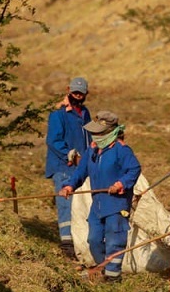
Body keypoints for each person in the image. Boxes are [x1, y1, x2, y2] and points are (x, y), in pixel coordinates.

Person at [59, 110, 141, 282]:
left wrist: (120, 184)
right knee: (93, 239)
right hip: (98, 204)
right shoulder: (92, 150)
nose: (94, 136)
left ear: (109, 132)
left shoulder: (122, 150)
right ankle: (104, 267)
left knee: (114, 240)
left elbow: (134, 170)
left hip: (116, 204)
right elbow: (81, 172)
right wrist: (69, 186)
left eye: (98, 132)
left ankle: (113, 277)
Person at [45, 76, 92, 259]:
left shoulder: (85, 113)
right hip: (64, 166)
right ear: (68, 90)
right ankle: (67, 244)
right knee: (66, 203)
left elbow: (89, 137)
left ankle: (80, 240)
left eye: (81, 93)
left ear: (86, 94)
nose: (78, 96)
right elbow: (53, 141)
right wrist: (71, 155)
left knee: (81, 204)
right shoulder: (58, 114)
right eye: (75, 93)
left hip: (81, 167)